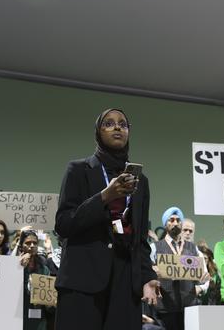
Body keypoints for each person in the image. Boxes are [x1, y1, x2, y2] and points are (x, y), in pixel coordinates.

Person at [54, 109, 158, 330]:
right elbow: (64, 224)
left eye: (123, 124)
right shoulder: (78, 170)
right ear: (98, 133)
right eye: (109, 123)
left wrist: (147, 276)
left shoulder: (141, 182)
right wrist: (105, 197)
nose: (117, 127)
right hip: (83, 282)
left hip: (125, 282)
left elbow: (140, 238)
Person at [152, 207, 201, 330]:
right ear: (165, 224)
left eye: (178, 220)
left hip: (189, 306)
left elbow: (203, 275)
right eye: (171, 220)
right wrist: (154, 272)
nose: (175, 223)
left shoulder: (193, 248)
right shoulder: (155, 247)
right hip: (166, 307)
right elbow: (147, 270)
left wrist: (201, 286)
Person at [17, 230, 51, 330]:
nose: (32, 246)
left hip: (39, 318)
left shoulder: (44, 269)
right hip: (19, 316)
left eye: (35, 243)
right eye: (27, 243)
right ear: (21, 246)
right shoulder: (14, 268)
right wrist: (20, 267)